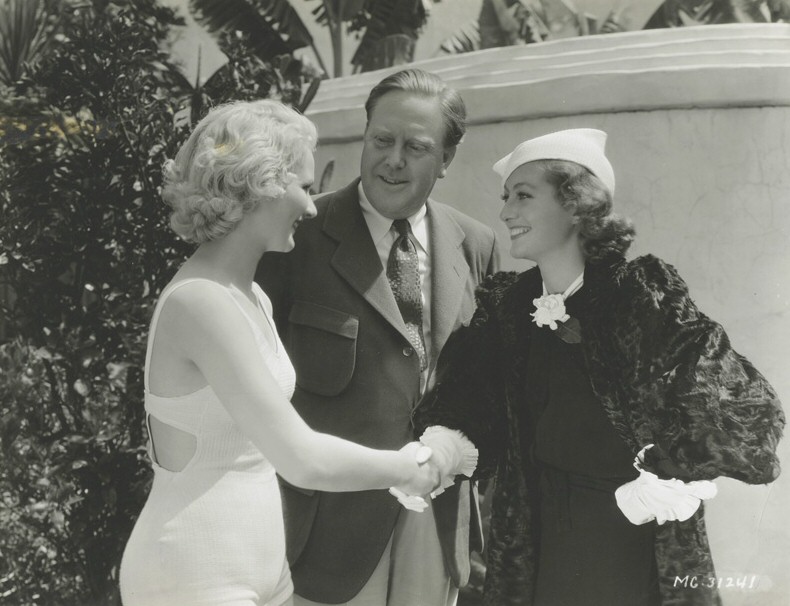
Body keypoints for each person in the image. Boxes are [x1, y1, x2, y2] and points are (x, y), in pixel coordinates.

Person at [414, 128, 785, 605]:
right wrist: (442, 448)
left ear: (576, 204)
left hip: (625, 538)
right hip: (536, 537)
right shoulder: (510, 306)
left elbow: (748, 408)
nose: (506, 212)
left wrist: (672, 470)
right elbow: (470, 401)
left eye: (523, 196)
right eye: (506, 197)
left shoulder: (640, 295)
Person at [119, 100, 440, 606]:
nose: (312, 207)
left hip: (264, 570)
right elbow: (300, 458)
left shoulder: (251, 295)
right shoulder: (201, 302)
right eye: (305, 187)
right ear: (260, 184)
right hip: (195, 573)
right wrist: (408, 469)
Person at [255, 68, 500, 606]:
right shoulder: (297, 237)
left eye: (415, 147)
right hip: (321, 535)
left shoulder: (475, 245)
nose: (393, 159)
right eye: (381, 140)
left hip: (435, 525)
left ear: (446, 160)